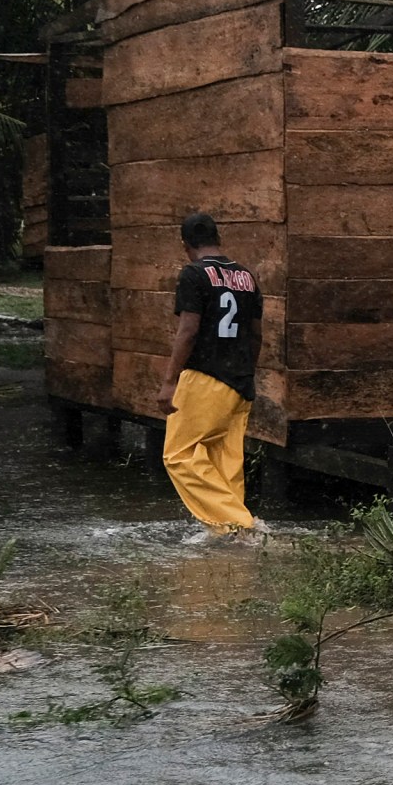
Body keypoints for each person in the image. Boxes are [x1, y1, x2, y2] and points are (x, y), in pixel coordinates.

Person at [153, 212, 263, 540]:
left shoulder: (193, 274)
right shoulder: (247, 276)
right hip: (240, 383)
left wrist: (170, 381)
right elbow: (257, 334)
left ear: (186, 244)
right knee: (225, 462)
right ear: (219, 239)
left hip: (205, 377)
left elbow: (188, 330)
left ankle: (241, 525)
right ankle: (228, 540)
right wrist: (247, 373)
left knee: (178, 454)